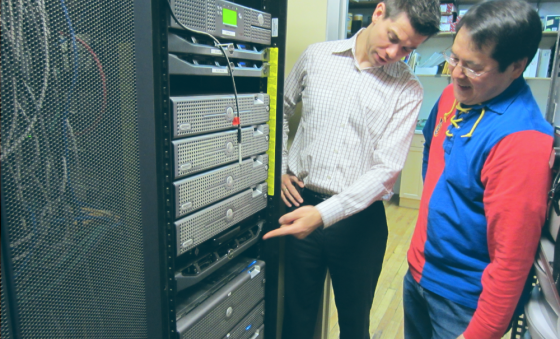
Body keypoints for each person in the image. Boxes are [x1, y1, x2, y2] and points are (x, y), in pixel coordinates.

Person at [261, 1, 440, 338]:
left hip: (360, 222)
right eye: (392, 38)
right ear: (378, 12)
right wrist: (280, 168)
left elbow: (385, 171)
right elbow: (278, 109)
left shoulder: (408, 89)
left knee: (354, 326)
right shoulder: (317, 56)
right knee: (297, 318)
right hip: (301, 204)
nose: (394, 52)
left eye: (408, 49)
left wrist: (323, 214)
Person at [405, 1, 554, 338]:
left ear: (516, 67)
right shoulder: (450, 96)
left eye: (473, 66)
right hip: (419, 275)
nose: (456, 72)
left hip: (464, 303)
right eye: (454, 57)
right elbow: (433, 156)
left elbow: (512, 261)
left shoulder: (523, 141)